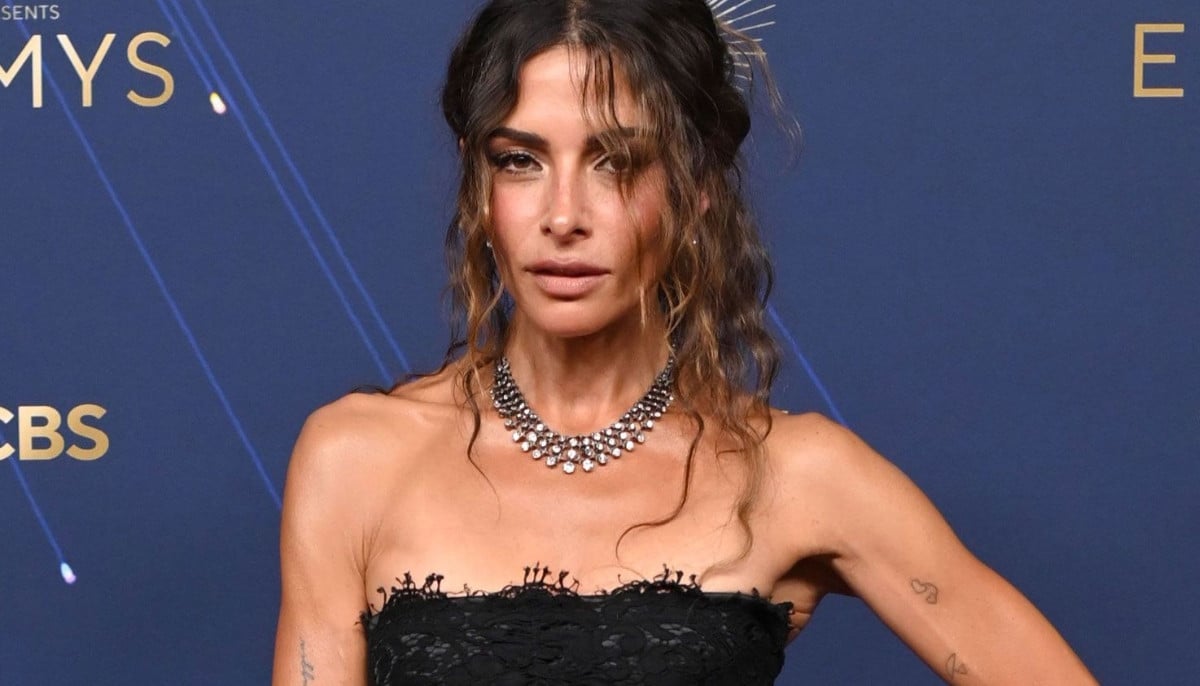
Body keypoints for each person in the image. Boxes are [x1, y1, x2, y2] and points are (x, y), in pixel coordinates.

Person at [272, 0, 1096, 683]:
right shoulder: (357, 461)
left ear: (697, 183)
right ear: (478, 182)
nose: (563, 215)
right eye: (521, 161)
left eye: (616, 163)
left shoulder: (796, 476)